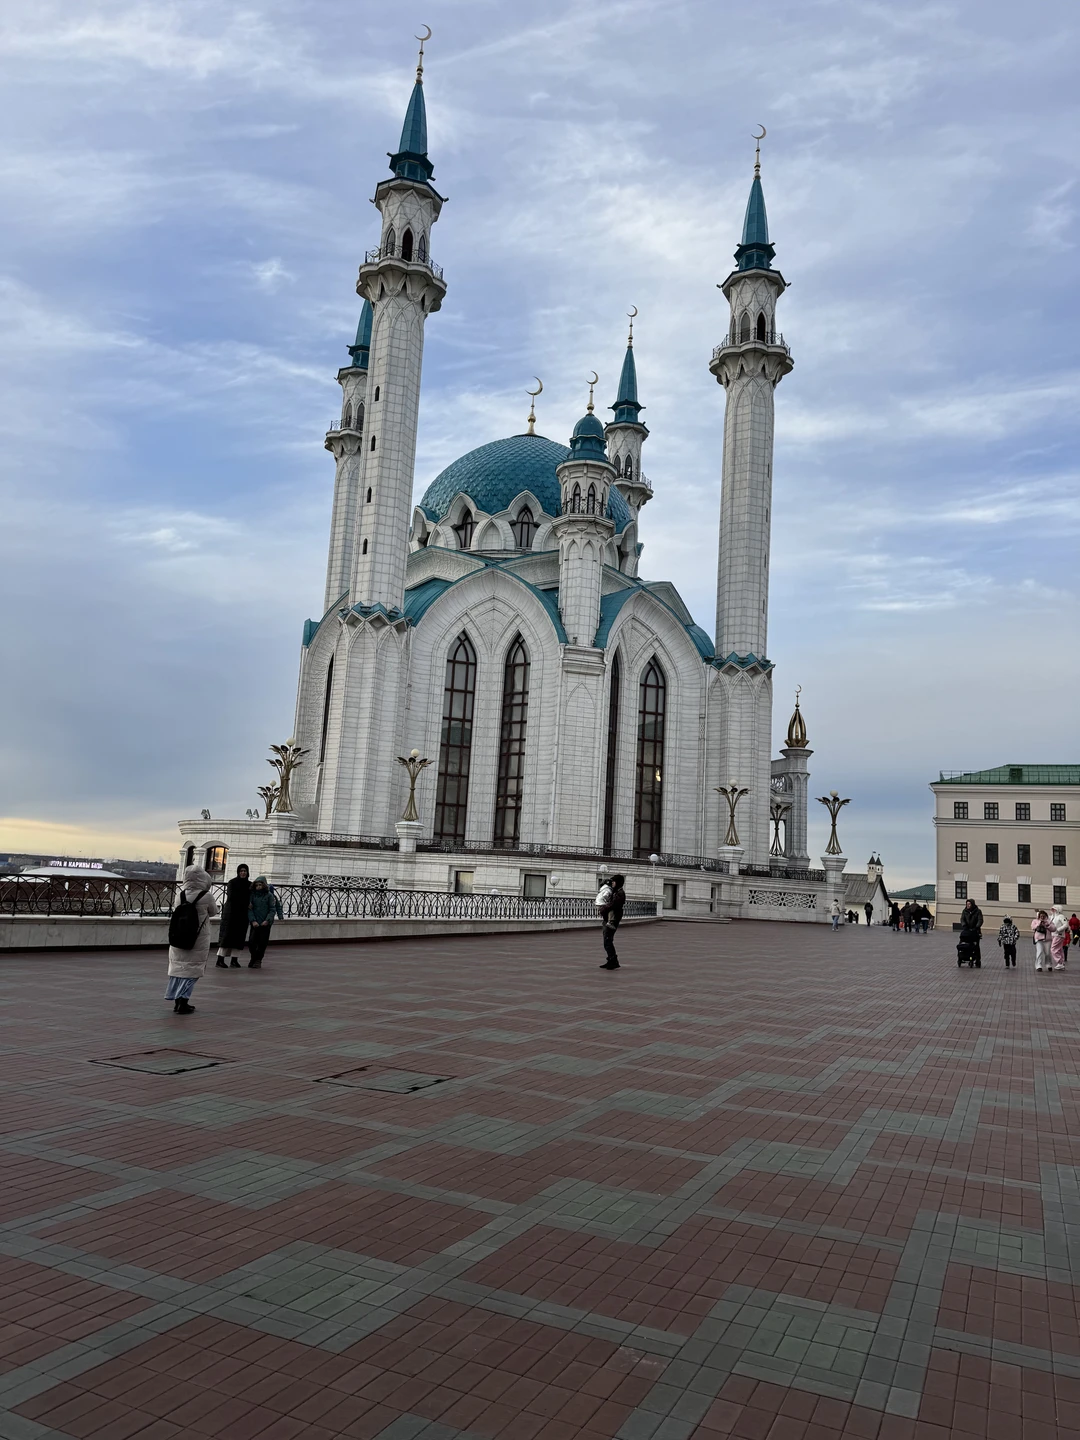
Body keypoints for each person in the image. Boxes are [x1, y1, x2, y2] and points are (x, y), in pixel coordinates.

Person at [166, 865, 219, 1014]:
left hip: (179, 936)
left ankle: (176, 1000)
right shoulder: (206, 896)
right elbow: (214, 912)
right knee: (192, 970)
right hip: (197, 938)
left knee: (178, 968)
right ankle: (183, 1001)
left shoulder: (180, 895)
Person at [215, 863, 251, 968]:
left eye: (245, 871)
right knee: (226, 937)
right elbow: (232, 896)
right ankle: (220, 959)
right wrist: (246, 903)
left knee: (239, 938)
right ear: (238, 872)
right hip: (231, 914)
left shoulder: (249, 885)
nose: (243, 873)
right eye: (241, 871)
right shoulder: (232, 883)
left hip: (242, 915)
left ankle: (234, 960)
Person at [247, 876, 283, 968]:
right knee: (251, 942)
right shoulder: (252, 895)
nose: (258, 887)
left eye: (260, 885)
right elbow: (249, 909)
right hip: (255, 923)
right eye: (257, 885)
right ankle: (253, 958)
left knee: (262, 943)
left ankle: (258, 960)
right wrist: (253, 920)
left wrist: (267, 920)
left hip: (265, 923)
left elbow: (272, 909)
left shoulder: (269, 895)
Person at [596, 873, 626, 969]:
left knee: (608, 940)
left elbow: (613, 904)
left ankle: (613, 961)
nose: (612, 883)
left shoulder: (620, 893)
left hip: (613, 920)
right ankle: (611, 960)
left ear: (618, 882)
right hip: (609, 919)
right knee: (607, 940)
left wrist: (603, 908)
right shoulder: (615, 891)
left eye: (613, 881)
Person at [1050, 905, 1070, 970]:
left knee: (1053, 949)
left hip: (1058, 935)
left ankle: (1059, 962)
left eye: (1054, 909)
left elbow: (1066, 924)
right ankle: (1061, 962)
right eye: (1052, 909)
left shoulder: (1061, 916)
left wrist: (1059, 929)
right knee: (1059, 949)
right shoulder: (1053, 917)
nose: (1053, 911)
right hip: (1054, 934)